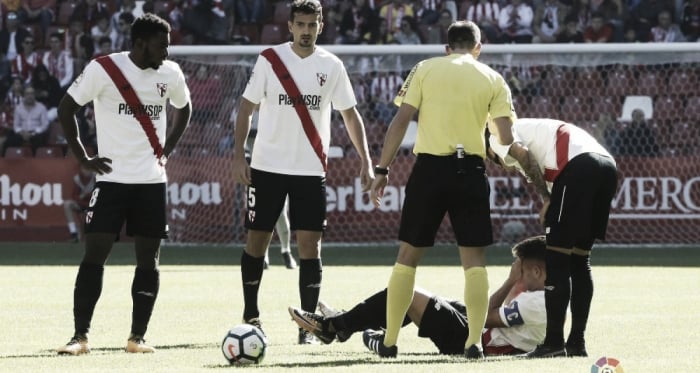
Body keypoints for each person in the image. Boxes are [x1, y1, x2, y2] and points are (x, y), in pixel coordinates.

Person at [368, 20, 515, 359]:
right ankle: (474, 343)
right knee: (473, 261)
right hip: (470, 172)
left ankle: (389, 342)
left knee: (407, 257)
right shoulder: (493, 78)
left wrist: (382, 169)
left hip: (430, 170)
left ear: (447, 48)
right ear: (478, 48)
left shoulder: (425, 69)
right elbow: (506, 139)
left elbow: (401, 120)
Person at [231, 0, 373, 345]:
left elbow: (350, 116)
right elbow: (247, 106)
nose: (306, 31)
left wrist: (366, 161)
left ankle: (307, 326)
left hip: (310, 170)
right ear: (290, 26)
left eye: (312, 24)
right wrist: (239, 154)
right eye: (301, 24)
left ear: (320, 26)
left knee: (311, 246)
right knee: (257, 242)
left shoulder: (332, 65)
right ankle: (251, 315)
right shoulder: (270, 59)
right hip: (266, 167)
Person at [55, 13, 192, 355]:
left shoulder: (170, 74)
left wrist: (167, 150)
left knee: (149, 261)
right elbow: (66, 108)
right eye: (162, 46)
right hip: (111, 182)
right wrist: (84, 157)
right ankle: (80, 337)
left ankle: (137, 337)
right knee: (94, 256)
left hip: (151, 182)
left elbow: (184, 109)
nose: (167, 52)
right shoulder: (103, 69)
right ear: (141, 42)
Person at [485, 117, 618, 358]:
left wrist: (548, 198)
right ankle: (576, 343)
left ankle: (553, 343)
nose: (499, 165)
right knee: (580, 260)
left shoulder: (495, 134)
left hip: (577, 166)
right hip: (606, 165)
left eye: (491, 159)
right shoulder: (531, 128)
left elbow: (523, 155)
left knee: (557, 259)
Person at [289, 236, 547, 355]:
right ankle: (358, 328)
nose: (517, 275)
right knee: (422, 298)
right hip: (477, 332)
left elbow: (485, 317)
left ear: (535, 270)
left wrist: (510, 281)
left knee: (408, 295)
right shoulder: (544, 296)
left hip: (472, 340)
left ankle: (336, 326)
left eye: (520, 270)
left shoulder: (535, 303)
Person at [4, 86, 49, 154]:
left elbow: (45, 125)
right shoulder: (18, 108)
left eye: (32, 94)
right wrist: (22, 133)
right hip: (22, 133)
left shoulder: (41, 107)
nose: (29, 96)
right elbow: (16, 126)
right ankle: (9, 162)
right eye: (27, 94)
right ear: (24, 95)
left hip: (36, 134)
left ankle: (37, 163)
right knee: (9, 141)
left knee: (40, 140)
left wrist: (33, 133)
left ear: (34, 95)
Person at [63, 165, 97, 242]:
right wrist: (84, 199)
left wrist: (87, 195)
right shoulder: (77, 179)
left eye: (88, 168)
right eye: (84, 168)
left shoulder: (97, 177)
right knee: (67, 204)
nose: (86, 171)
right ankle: (74, 233)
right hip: (83, 204)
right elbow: (75, 196)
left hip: (95, 205)